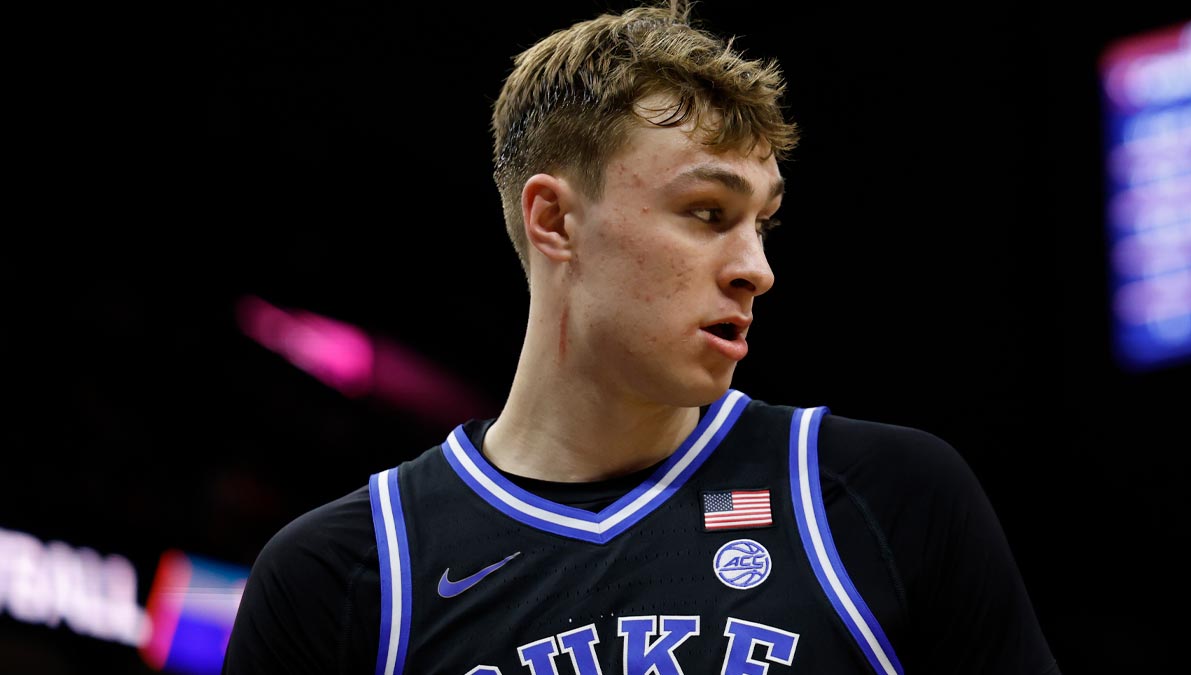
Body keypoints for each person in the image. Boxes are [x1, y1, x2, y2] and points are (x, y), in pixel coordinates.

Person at [222, 1, 1061, 673]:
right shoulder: (343, 575)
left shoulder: (885, 496)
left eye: (760, 223)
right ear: (553, 219)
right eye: (707, 213)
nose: (756, 269)